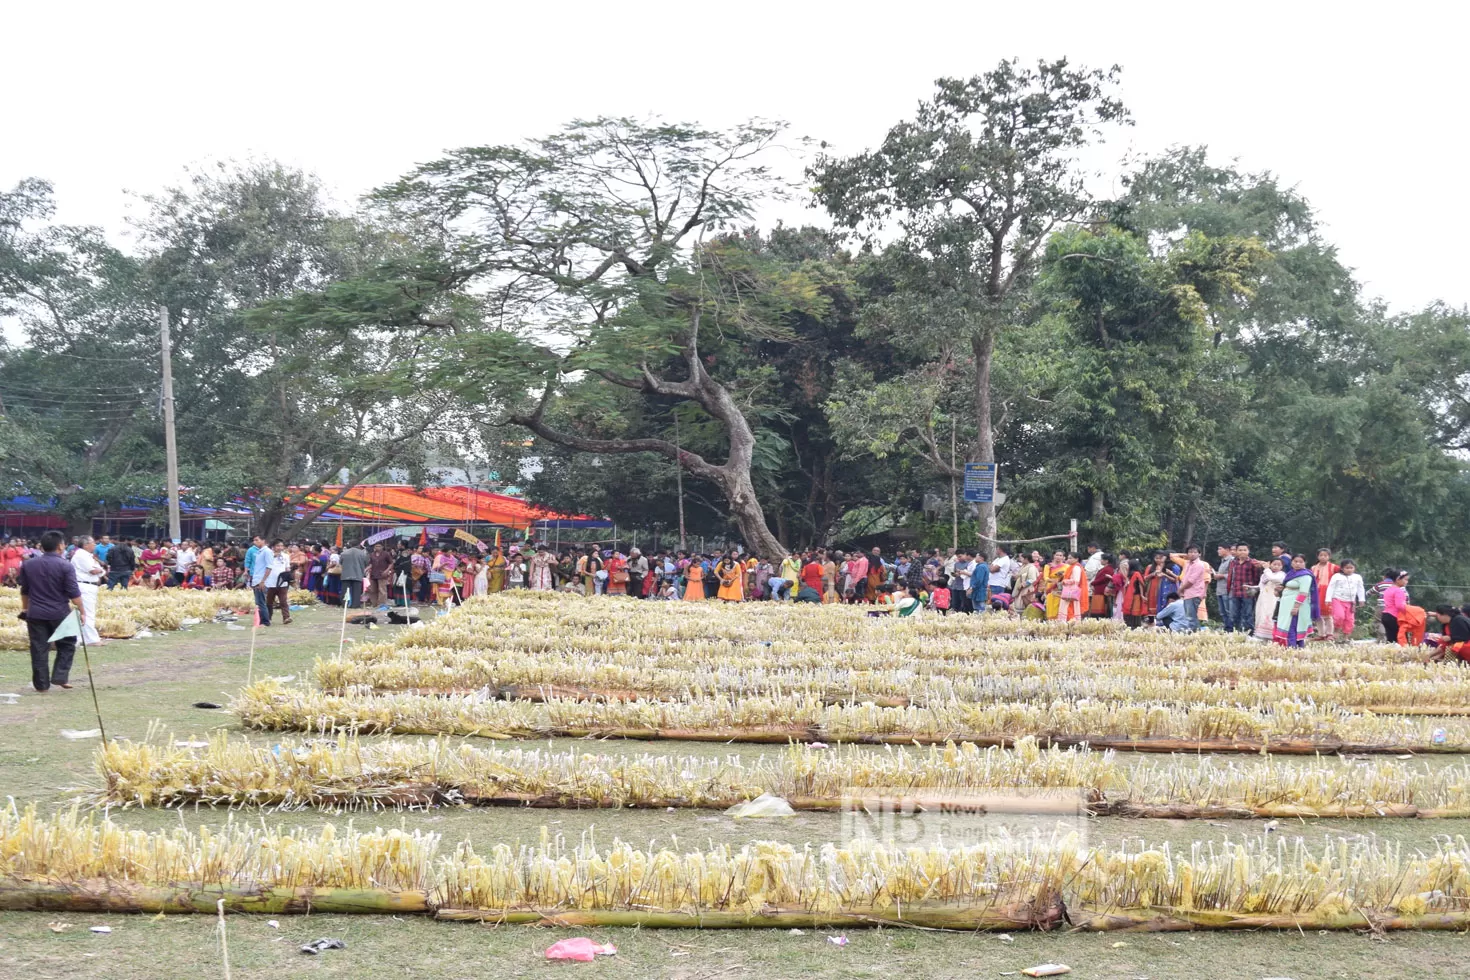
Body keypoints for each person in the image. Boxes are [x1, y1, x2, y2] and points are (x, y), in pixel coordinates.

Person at [16, 530, 84, 693]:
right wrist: (82, 611)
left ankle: (41, 685)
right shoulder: (65, 565)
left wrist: (25, 608)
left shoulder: (29, 564)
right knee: (67, 644)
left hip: (36, 612)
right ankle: (60, 676)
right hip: (59, 612)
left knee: (39, 648)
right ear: (60, 546)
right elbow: (74, 593)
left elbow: (25, 590)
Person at [1273, 554, 1319, 647]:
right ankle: (1298, 648)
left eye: (1300, 562)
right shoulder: (1291, 573)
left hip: (1297, 606)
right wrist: (1279, 590)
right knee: (1292, 627)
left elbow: (1303, 593)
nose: (1298, 564)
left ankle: (1292, 648)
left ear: (1304, 563)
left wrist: (1296, 607)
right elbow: (1286, 586)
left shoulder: (1305, 575)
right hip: (1286, 605)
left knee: (1293, 627)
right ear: (1291, 562)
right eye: (1295, 561)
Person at [69, 535, 107, 645]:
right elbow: (93, 570)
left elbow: (101, 570)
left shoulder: (88, 555)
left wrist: (100, 570)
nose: (95, 544)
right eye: (93, 542)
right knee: (87, 612)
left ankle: (82, 638)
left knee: (87, 611)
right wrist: (100, 570)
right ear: (86, 545)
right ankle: (91, 639)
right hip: (84, 586)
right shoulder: (81, 555)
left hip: (90, 585)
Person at [1225, 543, 1261, 634]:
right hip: (1235, 591)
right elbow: (1231, 576)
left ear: (1248, 551)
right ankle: (1234, 632)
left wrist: (1254, 590)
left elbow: (1256, 578)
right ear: (1236, 551)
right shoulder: (1233, 562)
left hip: (1248, 592)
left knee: (1248, 614)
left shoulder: (1253, 563)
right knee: (1233, 614)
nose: (1242, 552)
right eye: (1240, 550)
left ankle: (1249, 633)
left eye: (1245, 550)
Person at [1325, 560, 1364, 642]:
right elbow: (1331, 587)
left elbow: (1360, 588)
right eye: (1347, 568)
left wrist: (1361, 599)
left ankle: (1346, 637)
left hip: (1351, 601)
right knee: (1339, 616)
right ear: (1342, 568)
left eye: (1351, 568)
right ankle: (1336, 631)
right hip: (1337, 599)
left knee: (1349, 620)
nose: (1349, 570)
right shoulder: (1336, 576)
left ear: (1354, 568)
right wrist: (1328, 599)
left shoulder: (1357, 577)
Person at [1173, 545, 1210, 631]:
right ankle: (1194, 633)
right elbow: (1172, 555)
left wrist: (1180, 589)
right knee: (1190, 616)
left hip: (1194, 593)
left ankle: (1194, 633)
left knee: (1191, 617)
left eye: (1195, 552)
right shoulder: (1187, 563)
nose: (1192, 554)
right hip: (1188, 593)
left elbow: (1190, 581)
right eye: (1190, 552)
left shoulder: (1199, 565)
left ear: (1199, 554)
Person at [1310, 549, 1340, 641]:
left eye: (1325, 555)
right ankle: (1321, 634)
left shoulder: (1333, 567)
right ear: (1318, 556)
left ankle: (1329, 634)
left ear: (1329, 556)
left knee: (1328, 614)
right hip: (1315, 592)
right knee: (1317, 614)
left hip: (1327, 592)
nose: (1323, 557)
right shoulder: (1313, 568)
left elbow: (1342, 574)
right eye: (1321, 555)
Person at [1056, 552, 1087, 623]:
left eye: (1070, 558)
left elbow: (1076, 580)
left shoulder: (1076, 567)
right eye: (1068, 558)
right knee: (1067, 608)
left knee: (1069, 608)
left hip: (1071, 593)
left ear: (1076, 559)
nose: (1068, 560)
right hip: (1068, 591)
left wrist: (1065, 581)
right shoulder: (1072, 567)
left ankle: (1071, 624)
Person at [1379, 569, 1408, 644]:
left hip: (1385, 615)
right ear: (1398, 579)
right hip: (1394, 617)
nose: (1407, 582)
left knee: (1390, 639)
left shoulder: (1388, 590)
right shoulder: (1399, 591)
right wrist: (1408, 611)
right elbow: (1400, 606)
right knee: (1400, 638)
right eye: (1405, 579)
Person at [339, 539, 368, 609]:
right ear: (358, 545)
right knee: (357, 591)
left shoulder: (344, 553)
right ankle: (355, 605)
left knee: (345, 591)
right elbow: (366, 563)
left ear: (350, 545)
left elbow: (340, 562)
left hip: (346, 574)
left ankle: (345, 604)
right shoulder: (363, 553)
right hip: (358, 574)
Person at [1213, 545, 1234, 632]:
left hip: (1227, 590)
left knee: (1228, 611)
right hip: (1220, 589)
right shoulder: (1223, 561)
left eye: (1220, 549)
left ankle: (1231, 629)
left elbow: (1232, 575)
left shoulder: (1231, 560)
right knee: (1222, 612)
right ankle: (1226, 628)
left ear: (1227, 550)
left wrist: (1220, 575)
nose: (1218, 551)